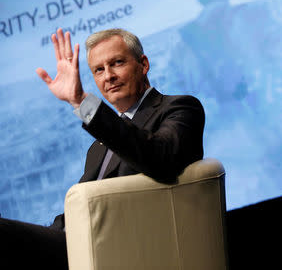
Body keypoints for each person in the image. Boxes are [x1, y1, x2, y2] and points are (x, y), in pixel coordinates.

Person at [0, 28, 205, 269]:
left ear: (144, 64)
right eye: (99, 70)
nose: (108, 76)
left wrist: (80, 102)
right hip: (78, 244)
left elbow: (161, 160)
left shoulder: (179, 108)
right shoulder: (98, 146)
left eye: (117, 63)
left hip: (123, 247)